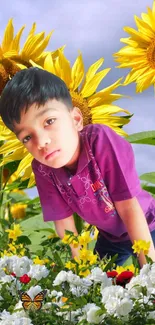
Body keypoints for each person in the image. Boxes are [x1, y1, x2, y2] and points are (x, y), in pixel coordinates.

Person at [0, 67, 155, 267]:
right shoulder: (43, 168)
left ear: (76, 119)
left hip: (147, 223)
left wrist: (149, 274)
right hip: (111, 238)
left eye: (49, 121)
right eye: (27, 137)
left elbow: (129, 207)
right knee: (97, 287)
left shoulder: (100, 141)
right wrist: (80, 270)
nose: (41, 142)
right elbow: (64, 223)